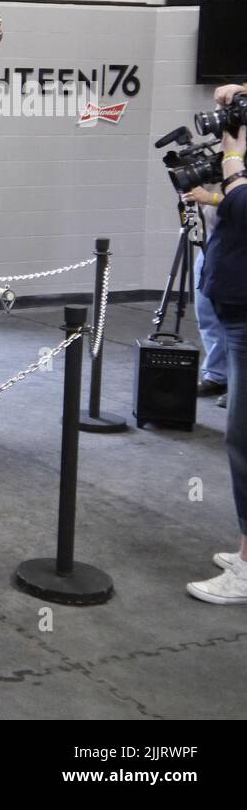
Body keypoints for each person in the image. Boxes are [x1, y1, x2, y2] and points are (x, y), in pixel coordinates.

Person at [188, 83, 247, 604]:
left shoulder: (240, 161)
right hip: (236, 309)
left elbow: (246, 208)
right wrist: (214, 195)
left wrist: (232, 156)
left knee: (245, 441)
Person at [182, 184, 228, 398]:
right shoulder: (220, 166)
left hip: (239, 244)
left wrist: (212, 198)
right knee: (206, 310)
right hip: (212, 239)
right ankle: (217, 375)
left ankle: (237, 382)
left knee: (236, 319)